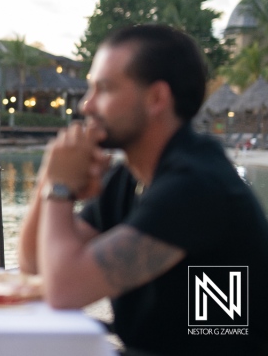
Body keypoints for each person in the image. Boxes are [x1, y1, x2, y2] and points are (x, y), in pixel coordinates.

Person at [18, 24, 268, 355]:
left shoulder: (198, 187)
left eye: (104, 89)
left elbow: (64, 290)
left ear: (156, 99)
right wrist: (52, 176)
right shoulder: (131, 177)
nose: (86, 106)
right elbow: (35, 266)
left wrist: (60, 189)